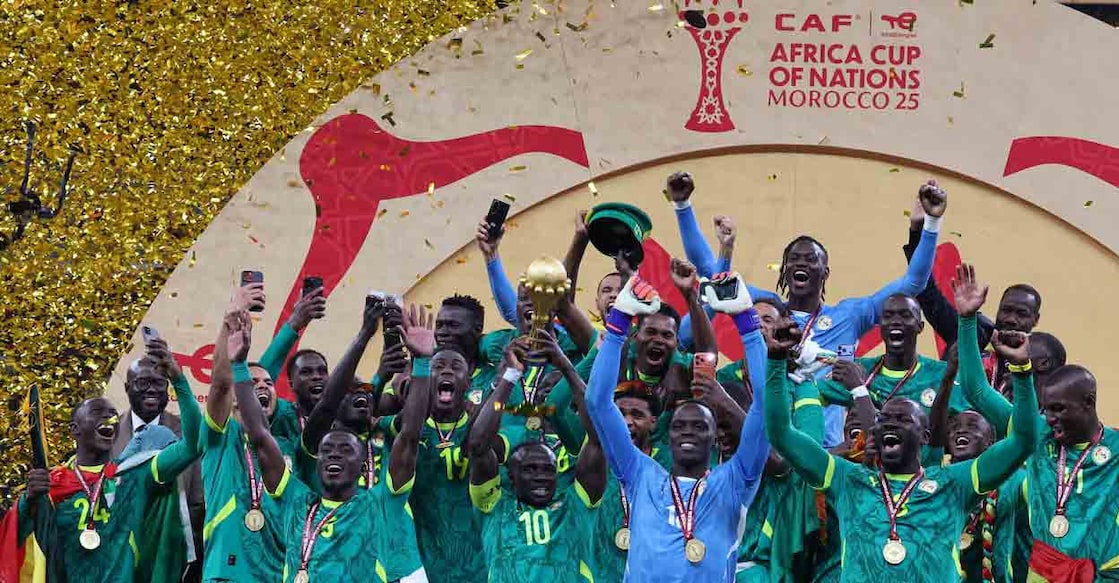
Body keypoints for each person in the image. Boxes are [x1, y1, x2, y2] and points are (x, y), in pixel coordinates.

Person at [765, 284, 1041, 581]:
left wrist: (1022, 371)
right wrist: (776, 361)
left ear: (925, 437)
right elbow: (781, 433)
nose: (890, 423)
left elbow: (1024, 440)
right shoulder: (846, 479)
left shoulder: (955, 483)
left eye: (902, 419)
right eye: (884, 418)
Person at [670, 171, 948, 446]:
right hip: (769, 452)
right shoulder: (768, 309)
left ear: (825, 272)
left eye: (810, 259)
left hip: (827, 452)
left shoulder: (849, 316)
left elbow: (914, 281)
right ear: (785, 269)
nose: (801, 263)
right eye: (793, 259)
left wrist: (931, 223)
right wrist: (683, 206)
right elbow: (711, 273)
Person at [586, 273, 770, 581]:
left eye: (699, 426)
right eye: (680, 425)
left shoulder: (735, 481)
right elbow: (598, 403)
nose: (687, 430)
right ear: (668, 437)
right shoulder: (639, 474)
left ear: (715, 441)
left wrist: (747, 323)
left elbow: (765, 410)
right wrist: (618, 322)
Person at [231, 301, 430, 583]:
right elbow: (261, 437)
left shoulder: (379, 502)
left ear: (362, 463)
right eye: (327, 450)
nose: (334, 454)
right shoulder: (296, 500)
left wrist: (422, 363)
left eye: (345, 449)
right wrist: (238, 366)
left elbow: (409, 435)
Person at [952, 263, 1119, 580]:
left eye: (1059, 410)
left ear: (1089, 403)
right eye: (1048, 409)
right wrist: (967, 318)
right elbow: (976, 388)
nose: (1051, 418)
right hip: (1039, 574)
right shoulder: (1037, 434)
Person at [14, 339, 202, 582]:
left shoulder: (135, 474)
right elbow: (16, 543)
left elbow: (193, 444)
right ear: (75, 429)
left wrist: (178, 380)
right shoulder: (53, 485)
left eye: (113, 414)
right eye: (97, 413)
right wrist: (28, 502)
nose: (109, 418)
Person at [467, 332, 606, 582]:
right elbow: (477, 445)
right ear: (510, 475)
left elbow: (599, 439)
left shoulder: (576, 504)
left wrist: (565, 366)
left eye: (547, 469)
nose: (541, 476)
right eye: (530, 469)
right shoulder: (493, 507)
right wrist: (509, 376)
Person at [901, 206, 1041, 392]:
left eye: (1021, 313)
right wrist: (918, 232)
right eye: (1006, 310)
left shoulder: (1041, 358)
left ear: (1036, 320)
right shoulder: (972, 333)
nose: (1010, 319)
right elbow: (927, 294)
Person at [113, 353, 205, 582]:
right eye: (143, 382)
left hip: (177, 562)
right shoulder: (106, 434)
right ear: (126, 387)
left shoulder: (190, 431)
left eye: (159, 383)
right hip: (119, 560)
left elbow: (199, 499)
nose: (151, 389)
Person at [817, 293, 970, 414]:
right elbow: (807, 394)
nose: (895, 321)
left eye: (905, 315)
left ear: (920, 327)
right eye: (888, 316)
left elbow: (972, 423)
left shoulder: (943, 374)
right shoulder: (857, 370)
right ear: (880, 326)